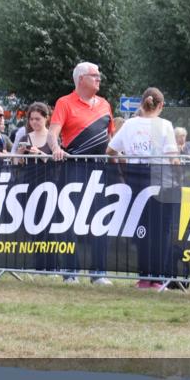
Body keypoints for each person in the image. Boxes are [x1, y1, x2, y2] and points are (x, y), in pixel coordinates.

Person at [48, 61, 115, 285]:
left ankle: (99, 273)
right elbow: (53, 132)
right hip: (74, 167)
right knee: (70, 219)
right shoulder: (64, 103)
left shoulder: (105, 104)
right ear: (80, 79)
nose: (99, 79)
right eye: (94, 75)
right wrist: (56, 148)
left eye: (99, 75)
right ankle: (70, 272)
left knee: (100, 219)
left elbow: (111, 137)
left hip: (100, 168)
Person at [107, 87, 179, 289]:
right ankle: (157, 278)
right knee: (161, 231)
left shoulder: (129, 124)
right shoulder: (164, 125)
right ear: (161, 105)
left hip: (135, 181)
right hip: (160, 181)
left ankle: (143, 277)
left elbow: (110, 150)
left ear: (141, 103)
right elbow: (173, 158)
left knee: (141, 229)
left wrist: (126, 160)